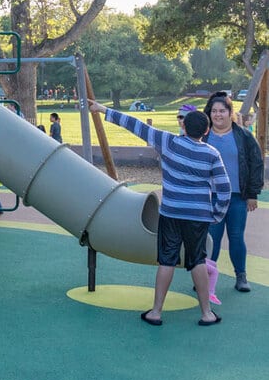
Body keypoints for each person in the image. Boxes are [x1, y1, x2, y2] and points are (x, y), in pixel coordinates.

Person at [96, 101, 228, 326]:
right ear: (206, 131)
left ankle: (156, 311)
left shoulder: (168, 142)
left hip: (171, 212)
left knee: (167, 259)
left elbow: (135, 126)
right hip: (198, 215)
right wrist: (215, 214)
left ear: (184, 127)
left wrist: (103, 109)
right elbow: (224, 189)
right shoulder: (212, 153)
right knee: (197, 260)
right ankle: (206, 313)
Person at [204, 92, 263, 297]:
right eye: (214, 111)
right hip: (211, 197)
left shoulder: (243, 136)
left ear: (230, 113)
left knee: (236, 236)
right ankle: (205, 277)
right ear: (209, 114)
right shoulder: (203, 135)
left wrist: (252, 193)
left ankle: (241, 276)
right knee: (213, 238)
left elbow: (256, 164)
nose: (218, 114)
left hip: (237, 197)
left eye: (222, 111)